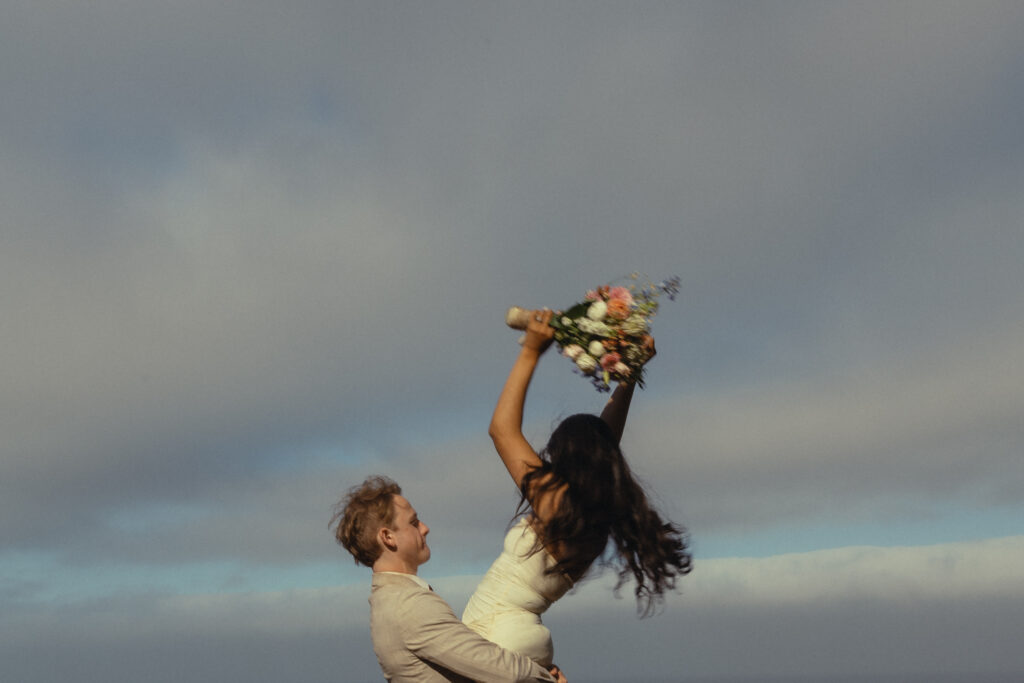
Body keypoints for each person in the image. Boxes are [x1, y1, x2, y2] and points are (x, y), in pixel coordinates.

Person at [461, 309, 692, 665]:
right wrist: (630, 374)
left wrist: (531, 352)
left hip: (493, 633)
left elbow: (502, 430)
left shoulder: (554, 500)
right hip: (530, 640)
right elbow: (604, 447)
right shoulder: (598, 518)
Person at [331, 475, 567, 683]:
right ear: (388, 537)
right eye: (414, 523)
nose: (425, 528)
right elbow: (495, 667)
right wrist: (545, 678)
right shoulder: (408, 605)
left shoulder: (389, 601)